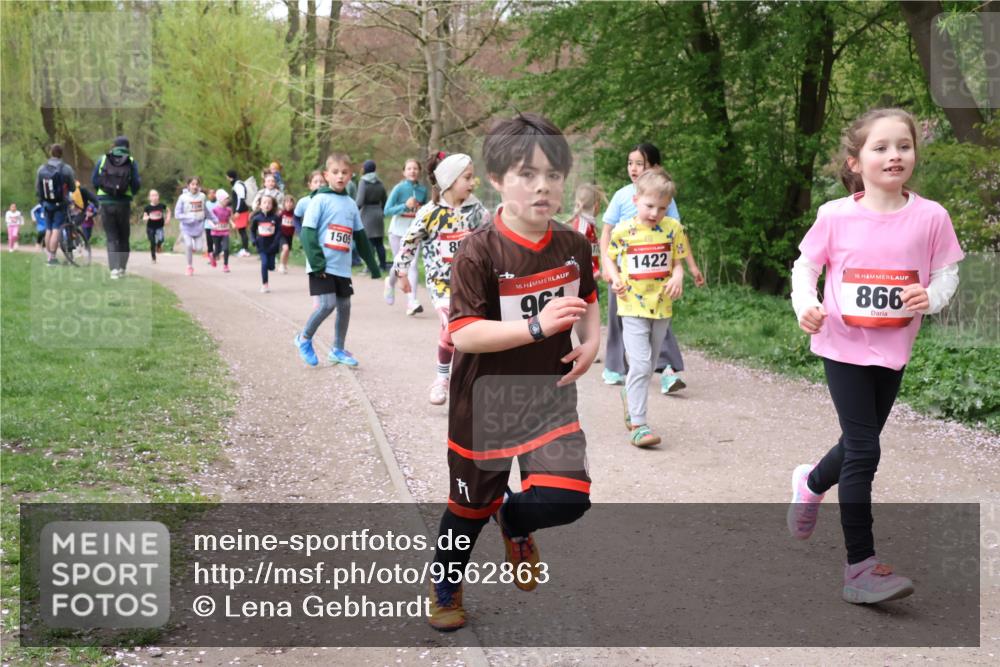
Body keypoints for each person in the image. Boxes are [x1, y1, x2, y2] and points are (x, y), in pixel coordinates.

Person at [426, 113, 599, 632]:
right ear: (498, 180)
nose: (542, 186)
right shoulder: (477, 251)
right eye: (526, 174)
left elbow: (587, 297)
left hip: (549, 395)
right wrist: (538, 327)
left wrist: (592, 341)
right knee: (468, 509)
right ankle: (446, 584)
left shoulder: (572, 243)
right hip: (485, 402)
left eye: (552, 173)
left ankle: (516, 520)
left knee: (569, 499)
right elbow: (464, 335)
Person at [786, 108, 964, 605]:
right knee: (865, 450)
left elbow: (947, 270)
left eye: (903, 146)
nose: (894, 155)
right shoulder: (835, 215)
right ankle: (861, 567)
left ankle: (810, 482)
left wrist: (933, 296)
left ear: (914, 155)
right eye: (880, 147)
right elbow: (806, 268)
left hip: (892, 349)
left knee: (858, 441)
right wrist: (807, 304)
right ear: (855, 162)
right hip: (841, 343)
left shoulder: (931, 217)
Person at [599, 143, 704, 392]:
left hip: (657, 276)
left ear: (655, 167)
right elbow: (606, 233)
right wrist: (607, 265)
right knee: (619, 319)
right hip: (624, 274)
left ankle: (667, 370)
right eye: (630, 163)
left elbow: (677, 235)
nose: (634, 168)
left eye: (640, 163)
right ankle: (615, 367)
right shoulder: (622, 195)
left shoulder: (666, 199)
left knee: (658, 321)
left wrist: (691, 266)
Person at [394, 151, 490, 405]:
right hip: (441, 284)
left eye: (473, 178)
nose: (472, 183)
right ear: (449, 181)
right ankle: (444, 379)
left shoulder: (477, 210)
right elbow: (408, 241)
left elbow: (492, 239)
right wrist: (401, 273)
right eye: (467, 178)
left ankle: (457, 380)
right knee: (453, 327)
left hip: (472, 283)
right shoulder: (430, 212)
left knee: (461, 332)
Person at [606, 168, 689, 447]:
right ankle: (639, 425)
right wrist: (615, 277)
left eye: (662, 208)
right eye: (649, 205)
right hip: (631, 304)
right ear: (636, 198)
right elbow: (609, 258)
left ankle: (630, 396)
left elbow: (678, 263)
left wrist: (678, 276)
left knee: (650, 363)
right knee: (640, 363)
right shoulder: (623, 230)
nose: (655, 213)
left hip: (662, 305)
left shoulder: (672, 229)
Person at [294, 153, 381, 367]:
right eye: (335, 172)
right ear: (326, 175)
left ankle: (338, 349)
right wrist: (316, 263)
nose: (340, 176)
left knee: (345, 306)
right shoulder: (319, 200)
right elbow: (307, 232)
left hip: (342, 267)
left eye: (344, 173)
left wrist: (374, 266)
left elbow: (360, 236)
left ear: (351, 175)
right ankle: (303, 338)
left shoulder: (351, 204)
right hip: (322, 265)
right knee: (326, 305)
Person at [383, 158, 430, 313]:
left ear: (419, 171)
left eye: (415, 168)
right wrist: (405, 206)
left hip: (415, 233)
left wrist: (421, 209)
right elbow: (387, 210)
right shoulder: (398, 188)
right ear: (404, 172)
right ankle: (390, 283)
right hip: (397, 231)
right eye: (409, 168)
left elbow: (426, 211)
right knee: (399, 265)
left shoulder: (423, 190)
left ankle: (412, 301)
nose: (412, 171)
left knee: (413, 265)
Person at [91, 136, 140, 278]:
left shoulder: (103, 159)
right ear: (127, 147)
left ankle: (113, 270)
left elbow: (94, 180)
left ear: (114, 146)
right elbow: (136, 183)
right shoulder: (131, 162)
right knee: (124, 236)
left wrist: (103, 192)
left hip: (106, 203)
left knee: (111, 236)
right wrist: (129, 193)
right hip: (123, 203)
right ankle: (122, 268)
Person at [35, 144, 76, 266]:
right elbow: (73, 187)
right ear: (61, 154)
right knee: (56, 229)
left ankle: (49, 257)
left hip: (47, 204)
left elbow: (38, 189)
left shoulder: (41, 169)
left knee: (48, 229)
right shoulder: (66, 168)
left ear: (50, 153)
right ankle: (53, 258)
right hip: (60, 204)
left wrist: (43, 201)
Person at [174, 176, 217, 276]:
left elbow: (205, 210)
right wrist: (188, 218)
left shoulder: (202, 196)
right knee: (189, 245)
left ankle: (191, 246)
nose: (195, 186)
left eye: (197, 184)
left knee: (198, 248)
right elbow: (177, 214)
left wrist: (214, 219)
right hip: (186, 227)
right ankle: (189, 266)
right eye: (192, 184)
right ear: (188, 186)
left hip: (198, 227)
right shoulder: (183, 198)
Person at [567, 183, 605, 280]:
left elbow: (589, 248)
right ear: (596, 205)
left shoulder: (589, 224)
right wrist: (592, 271)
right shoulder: (582, 226)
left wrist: (598, 243)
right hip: (583, 279)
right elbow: (576, 253)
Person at [356, 160, 389, 271]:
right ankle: (383, 265)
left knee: (369, 243)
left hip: (367, 214)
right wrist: (382, 210)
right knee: (379, 243)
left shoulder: (363, 182)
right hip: (378, 213)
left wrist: (354, 212)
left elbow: (360, 201)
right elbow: (385, 199)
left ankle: (370, 266)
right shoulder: (380, 182)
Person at [251, 194, 282, 293]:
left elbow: (279, 231)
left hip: (272, 245)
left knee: (271, 266)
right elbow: (252, 230)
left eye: (269, 203)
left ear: (272, 205)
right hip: (262, 245)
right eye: (264, 202)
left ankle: (271, 265)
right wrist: (253, 240)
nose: (267, 205)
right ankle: (265, 284)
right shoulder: (257, 218)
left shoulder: (276, 218)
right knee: (264, 264)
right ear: (260, 205)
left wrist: (276, 242)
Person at [226, 169, 253, 257]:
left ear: (230, 177)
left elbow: (241, 198)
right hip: (241, 210)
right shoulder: (237, 184)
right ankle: (244, 248)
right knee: (241, 231)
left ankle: (245, 249)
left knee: (242, 231)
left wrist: (237, 211)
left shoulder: (238, 185)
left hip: (242, 211)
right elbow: (235, 199)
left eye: (227, 176)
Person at [143, 190, 170, 264]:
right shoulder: (147, 207)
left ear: (158, 196)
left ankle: (159, 246)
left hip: (159, 227)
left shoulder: (161, 205)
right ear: (149, 198)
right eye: (152, 195)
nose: (154, 197)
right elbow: (144, 216)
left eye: (156, 195)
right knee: (152, 242)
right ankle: (153, 258)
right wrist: (146, 218)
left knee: (161, 239)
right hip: (150, 227)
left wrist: (168, 218)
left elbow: (168, 210)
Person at [211, 190, 233, 272]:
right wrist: (213, 225)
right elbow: (210, 219)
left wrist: (232, 223)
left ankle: (226, 265)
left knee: (226, 248)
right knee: (218, 250)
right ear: (220, 200)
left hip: (225, 231)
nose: (227, 201)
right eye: (225, 199)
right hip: (216, 232)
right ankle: (213, 256)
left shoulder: (229, 210)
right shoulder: (215, 210)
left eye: (227, 199)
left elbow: (229, 218)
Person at [278, 194, 296, 274]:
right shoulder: (282, 213)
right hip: (282, 234)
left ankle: (285, 264)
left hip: (290, 235)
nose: (289, 204)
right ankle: (281, 265)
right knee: (285, 249)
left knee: (288, 251)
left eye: (290, 202)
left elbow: (297, 223)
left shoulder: (295, 214)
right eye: (287, 202)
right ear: (284, 204)